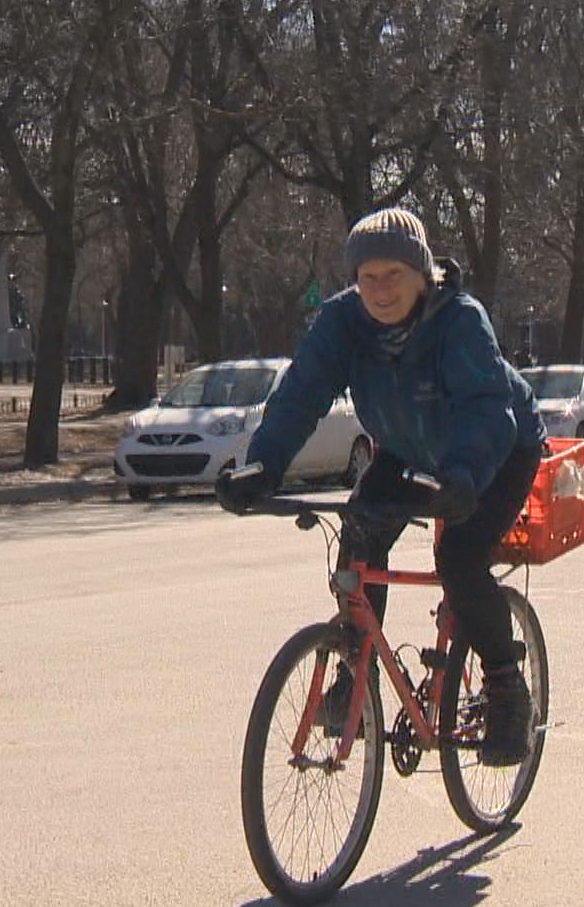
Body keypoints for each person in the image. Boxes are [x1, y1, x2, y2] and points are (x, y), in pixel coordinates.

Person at [215, 208, 547, 765]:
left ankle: (507, 691)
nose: (380, 290)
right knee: (360, 539)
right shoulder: (342, 323)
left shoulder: (458, 319)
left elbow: (486, 410)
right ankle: (354, 671)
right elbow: (301, 395)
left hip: (495, 451)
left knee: (460, 559)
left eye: (394, 275)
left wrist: (464, 479)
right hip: (408, 450)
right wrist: (263, 467)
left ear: (423, 274)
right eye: (368, 277)